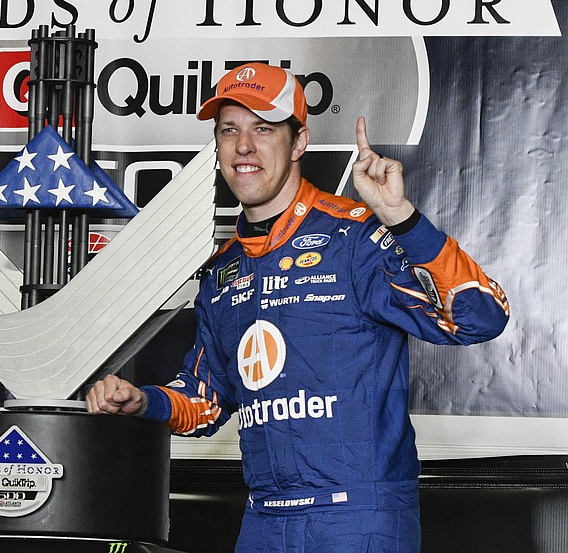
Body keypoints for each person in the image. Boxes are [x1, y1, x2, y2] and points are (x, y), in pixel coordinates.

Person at [86, 62, 509, 552]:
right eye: (229, 130)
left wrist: (401, 218)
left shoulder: (355, 237)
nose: (244, 146)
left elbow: (480, 319)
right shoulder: (222, 271)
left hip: (359, 516)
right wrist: (145, 402)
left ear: (299, 141)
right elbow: (205, 402)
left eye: (263, 129)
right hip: (264, 518)